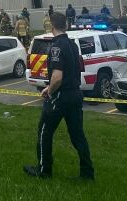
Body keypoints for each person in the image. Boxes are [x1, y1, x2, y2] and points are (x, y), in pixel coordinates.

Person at [24, 13, 94, 181]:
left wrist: (49, 90)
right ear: (66, 25)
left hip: (60, 96)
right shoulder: (72, 45)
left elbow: (57, 77)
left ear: (51, 26)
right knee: (78, 135)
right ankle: (87, 173)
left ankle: (44, 170)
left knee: (44, 131)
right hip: (76, 94)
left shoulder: (56, 47)